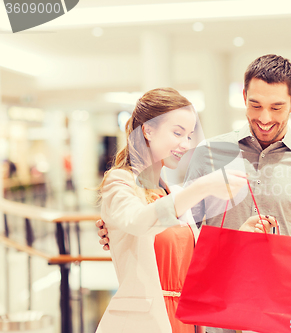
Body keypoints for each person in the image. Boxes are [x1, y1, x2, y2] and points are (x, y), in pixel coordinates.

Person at [99, 55, 291, 332]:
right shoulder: (209, 155)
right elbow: (183, 234)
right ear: (243, 97)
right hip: (209, 319)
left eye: (277, 107)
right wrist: (120, 227)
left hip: (276, 316)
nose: (265, 117)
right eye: (255, 105)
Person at [95, 87, 277, 333]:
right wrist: (201, 187)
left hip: (187, 320)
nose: (186, 144)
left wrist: (241, 237)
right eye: (178, 133)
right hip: (147, 323)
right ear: (148, 130)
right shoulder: (120, 182)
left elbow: (197, 267)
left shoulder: (169, 192)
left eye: (190, 135)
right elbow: (138, 221)